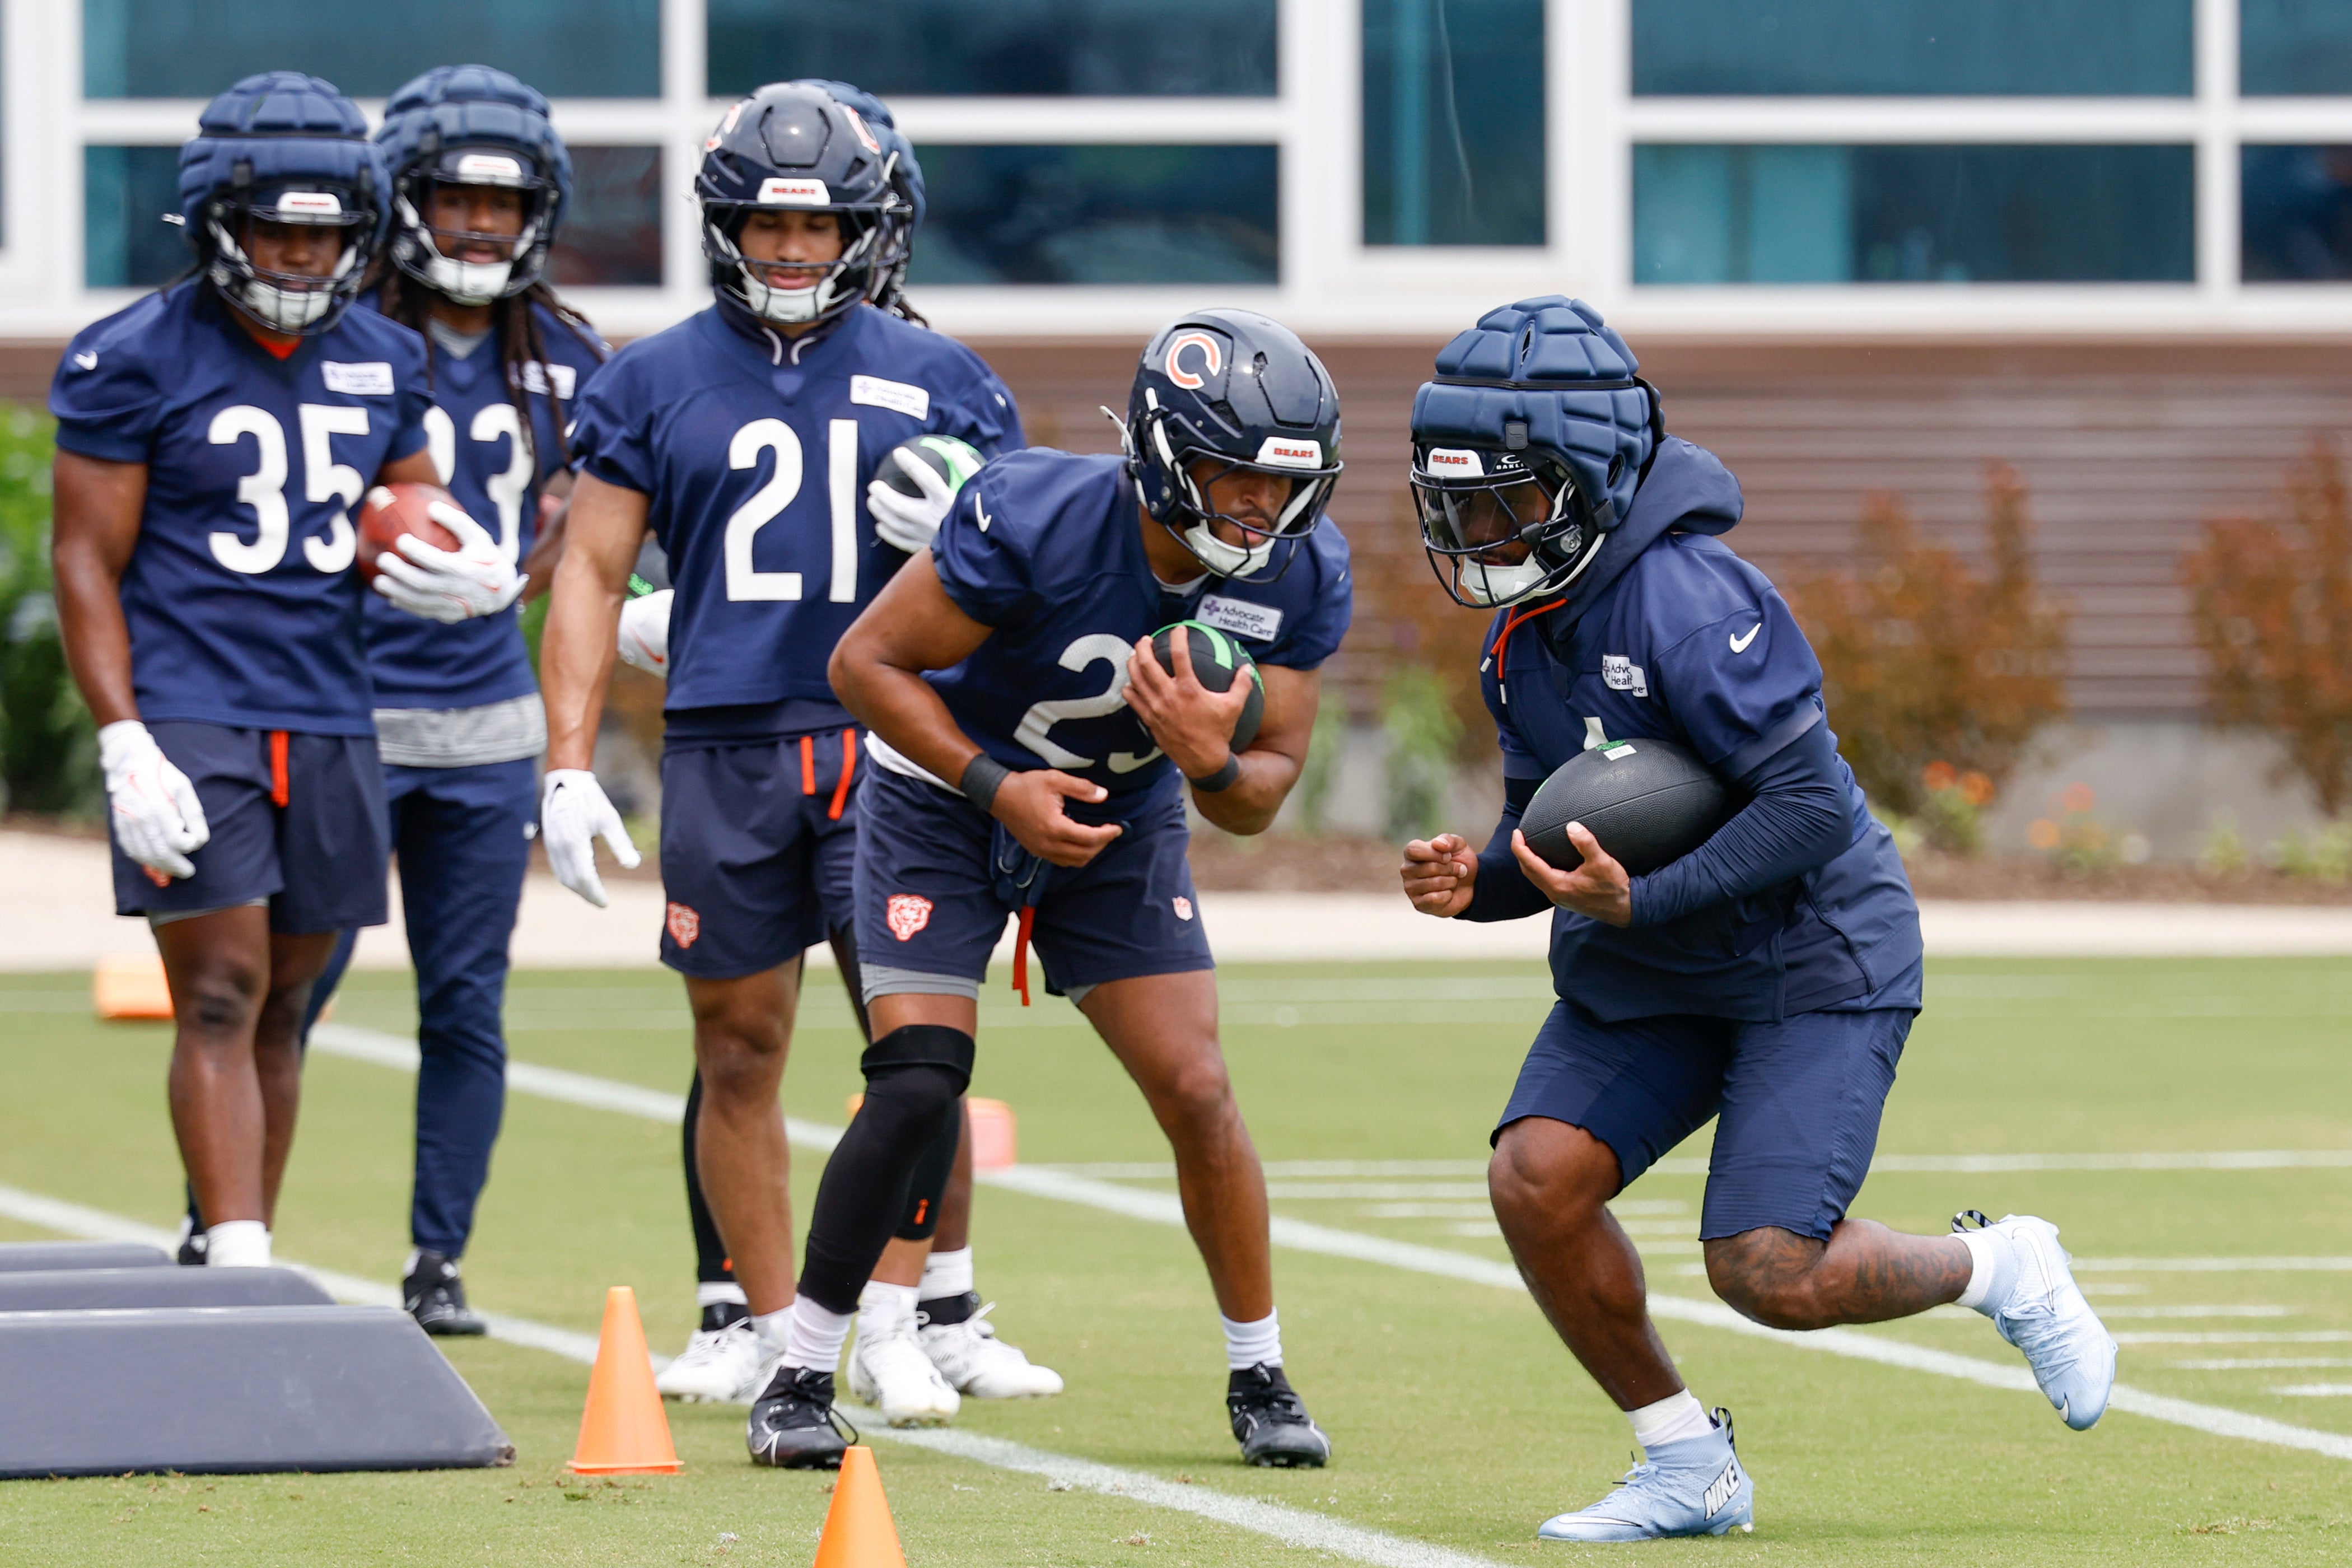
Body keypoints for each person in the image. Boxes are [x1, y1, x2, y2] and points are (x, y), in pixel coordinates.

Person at [1394, 297, 2117, 1542]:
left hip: (1809, 958)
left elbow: (1809, 810)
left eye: (1506, 500)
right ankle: (1685, 1462)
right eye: (1459, 502)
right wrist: (1486, 881)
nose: (1476, 531)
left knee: (1769, 1269)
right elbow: (1554, 825)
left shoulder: (1689, 596)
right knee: (1537, 1177)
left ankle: (2005, 1266)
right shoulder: (1523, 636)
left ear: (1595, 476)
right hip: (1659, 958)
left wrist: (1645, 897)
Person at [543, 79, 1056, 1424]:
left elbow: (1017, 584)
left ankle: (893, 1313)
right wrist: (567, 758)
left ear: (865, 232)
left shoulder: (943, 376)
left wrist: (965, 533)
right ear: (725, 226)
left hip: (893, 745)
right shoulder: (649, 376)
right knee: (738, 1045)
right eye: (768, 224)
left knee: (917, 1043)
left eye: (820, 226)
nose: (791, 249)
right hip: (727, 742)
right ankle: (783, 1342)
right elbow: (591, 574)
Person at [764, 308, 1353, 1470]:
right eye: (1233, 479)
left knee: (1196, 1083)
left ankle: (1261, 1368)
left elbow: (1257, 799)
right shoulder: (1032, 514)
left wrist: (1208, 758)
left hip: (1122, 817)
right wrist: (995, 785)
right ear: (1166, 457)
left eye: (1279, 488)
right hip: (945, 796)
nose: (1257, 513)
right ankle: (796, 1369)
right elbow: (864, 664)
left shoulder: (1298, 570)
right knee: (920, 1079)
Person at [165, 64, 611, 1328]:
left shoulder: (572, 360)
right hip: (340, 708)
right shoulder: (331, 331)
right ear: (392, 198)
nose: (478, 224)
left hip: (484, 726)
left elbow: (600, 531)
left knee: (465, 996)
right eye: (449, 197)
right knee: (286, 987)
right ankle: (227, 1216)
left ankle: (438, 1260)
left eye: (503, 201)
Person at [49, 72, 510, 1272]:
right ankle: (246, 1258)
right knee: (219, 988)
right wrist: (121, 734)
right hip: (194, 705)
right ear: (219, 225)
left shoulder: (383, 354)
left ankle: (226, 1230)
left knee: (287, 1002)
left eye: (324, 232)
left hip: (331, 708)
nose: (303, 255)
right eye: (278, 230)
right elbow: (85, 564)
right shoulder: (130, 357)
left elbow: (411, 502)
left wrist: (459, 557)